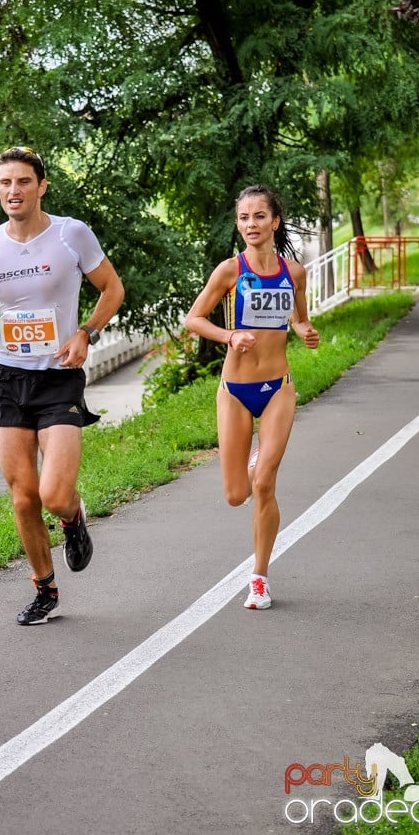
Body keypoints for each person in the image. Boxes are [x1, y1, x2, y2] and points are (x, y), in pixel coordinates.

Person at [0, 146, 124, 625]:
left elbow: (113, 288)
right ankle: (44, 590)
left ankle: (72, 519)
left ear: (41, 186)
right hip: (10, 377)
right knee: (24, 495)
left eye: (23, 182)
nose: (13, 191)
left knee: (53, 494)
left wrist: (85, 332)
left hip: (59, 378)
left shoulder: (71, 234)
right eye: (6, 183)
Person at [185, 184, 319, 610]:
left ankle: (259, 578)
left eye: (259, 216)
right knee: (236, 495)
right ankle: (251, 459)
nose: (251, 224)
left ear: (274, 221)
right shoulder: (230, 271)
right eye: (244, 217)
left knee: (264, 486)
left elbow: (299, 317)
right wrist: (229, 335)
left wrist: (304, 330)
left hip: (278, 386)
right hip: (235, 391)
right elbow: (193, 319)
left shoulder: (293, 272)